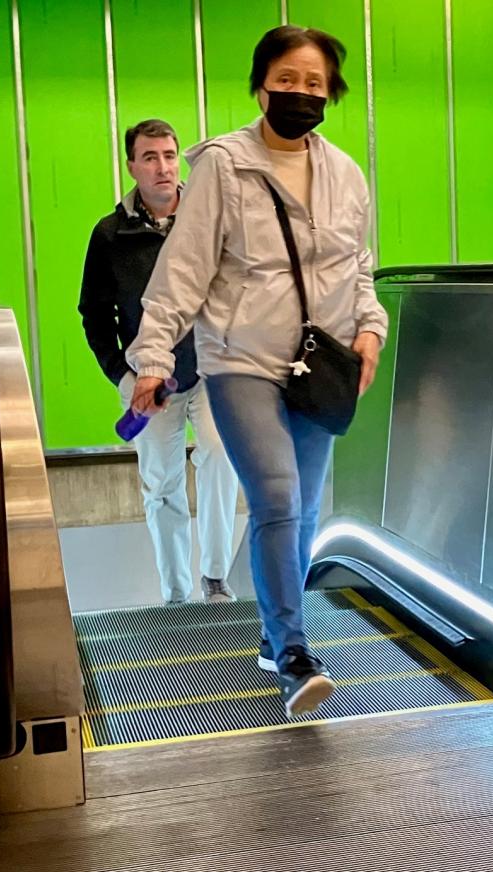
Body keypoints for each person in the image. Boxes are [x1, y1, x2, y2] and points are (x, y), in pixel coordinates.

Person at [125, 27, 388, 716]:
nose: (300, 92)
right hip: (239, 358)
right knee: (275, 496)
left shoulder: (346, 175)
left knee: (302, 511)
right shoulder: (223, 165)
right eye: (287, 78)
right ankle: (293, 651)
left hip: (319, 362)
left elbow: (356, 267)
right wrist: (153, 356)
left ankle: (276, 635)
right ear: (260, 83)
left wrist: (369, 329)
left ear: (331, 91)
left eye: (314, 81)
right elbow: (183, 268)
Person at [79, 119, 240, 606]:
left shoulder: (209, 219)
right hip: (150, 382)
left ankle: (215, 577)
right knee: (161, 484)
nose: (163, 166)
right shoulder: (110, 236)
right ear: (132, 166)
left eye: (170, 155)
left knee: (219, 454)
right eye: (150, 157)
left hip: (211, 369)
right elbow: (93, 313)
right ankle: (176, 592)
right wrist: (122, 376)